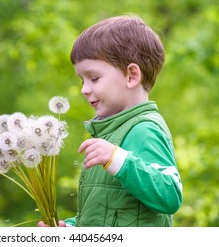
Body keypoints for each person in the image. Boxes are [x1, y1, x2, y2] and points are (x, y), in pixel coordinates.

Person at [39, 15, 183, 227]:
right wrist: (71, 228)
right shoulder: (108, 136)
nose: (84, 89)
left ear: (131, 76)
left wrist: (119, 160)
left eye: (94, 78)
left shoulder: (144, 130)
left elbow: (170, 194)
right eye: (82, 80)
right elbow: (105, 212)